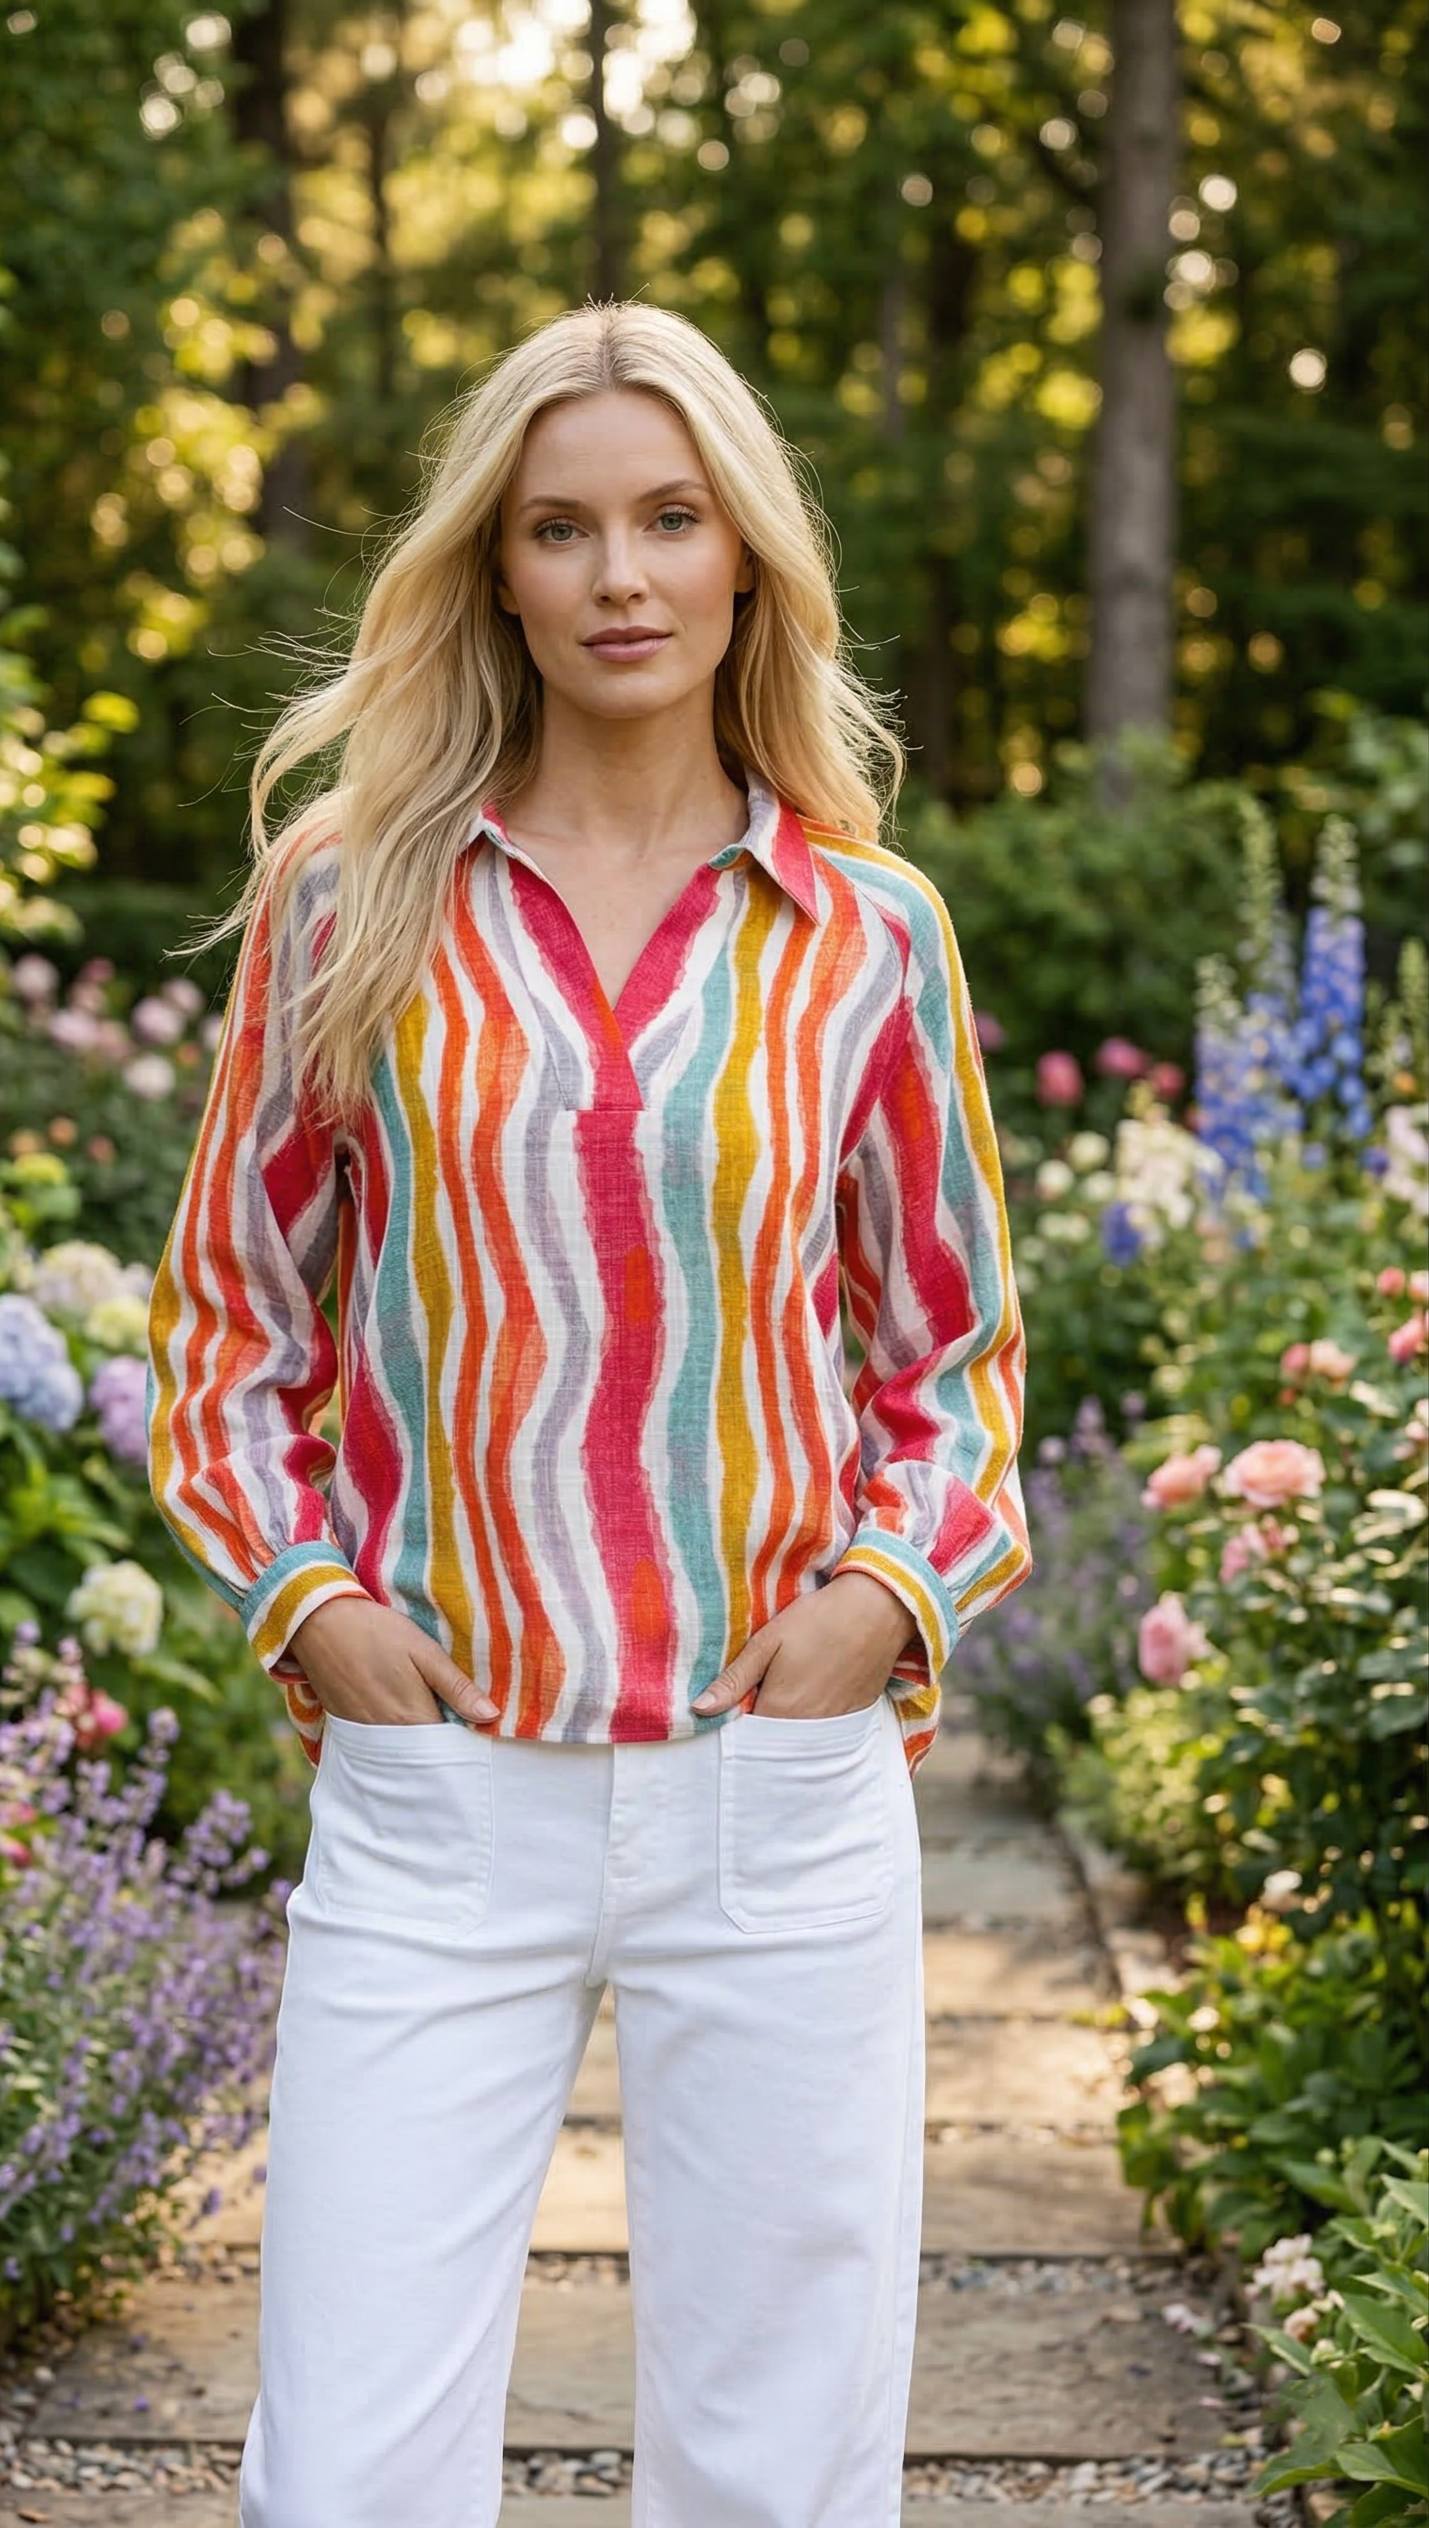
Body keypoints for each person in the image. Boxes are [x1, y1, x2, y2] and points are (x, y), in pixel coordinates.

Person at [147, 300, 1031, 2528]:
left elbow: (952, 1361)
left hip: (777, 1783)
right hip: (444, 1787)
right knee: (343, 2465)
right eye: (560, 528)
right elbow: (228, 1323)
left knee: (776, 2464)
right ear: (496, 569)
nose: (618, 575)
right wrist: (308, 1600)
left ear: (745, 557)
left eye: (666, 517)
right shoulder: (346, 899)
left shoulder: (866, 936)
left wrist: (877, 1596)